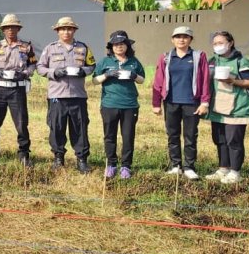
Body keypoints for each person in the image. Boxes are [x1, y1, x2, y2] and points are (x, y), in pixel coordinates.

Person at [36, 16, 96, 174]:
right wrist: (54, 72)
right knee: (56, 127)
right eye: (62, 29)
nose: (66, 32)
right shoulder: (50, 48)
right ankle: (58, 158)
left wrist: (84, 71)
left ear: (74, 30)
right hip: (57, 95)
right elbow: (40, 68)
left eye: (69, 29)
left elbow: (92, 66)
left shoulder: (83, 48)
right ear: (57, 31)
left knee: (80, 128)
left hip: (78, 95)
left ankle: (82, 160)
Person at [152, 26, 210, 180]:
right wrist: (156, 103)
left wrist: (205, 102)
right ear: (172, 39)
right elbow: (158, 81)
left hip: (191, 102)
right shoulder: (166, 57)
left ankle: (189, 166)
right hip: (171, 102)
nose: (181, 39)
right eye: (178, 37)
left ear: (191, 39)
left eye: (185, 36)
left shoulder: (199, 56)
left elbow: (205, 80)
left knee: (190, 135)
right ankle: (175, 165)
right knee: (172, 134)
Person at [0, 14, 37, 167]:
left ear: (18, 29)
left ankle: (24, 154)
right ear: (3, 30)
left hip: (17, 90)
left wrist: (24, 73)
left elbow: (33, 65)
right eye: (7, 27)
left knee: (21, 123)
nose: (10, 30)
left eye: (13, 27)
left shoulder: (26, 47)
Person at [92, 30, 145, 179]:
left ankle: (126, 166)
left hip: (129, 105)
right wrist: (107, 75)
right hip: (109, 104)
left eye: (122, 44)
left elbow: (142, 80)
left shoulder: (134, 62)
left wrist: (134, 76)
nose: (119, 47)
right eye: (116, 45)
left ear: (127, 46)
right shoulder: (105, 61)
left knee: (128, 136)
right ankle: (111, 164)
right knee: (109, 136)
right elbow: (94, 80)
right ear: (111, 47)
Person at [204, 31, 249, 184]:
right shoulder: (212, 61)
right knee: (220, 139)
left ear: (231, 43)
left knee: (234, 141)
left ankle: (235, 172)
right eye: (215, 43)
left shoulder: (241, 61)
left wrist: (232, 80)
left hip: (237, 107)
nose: (217, 46)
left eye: (221, 42)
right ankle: (223, 168)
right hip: (217, 107)